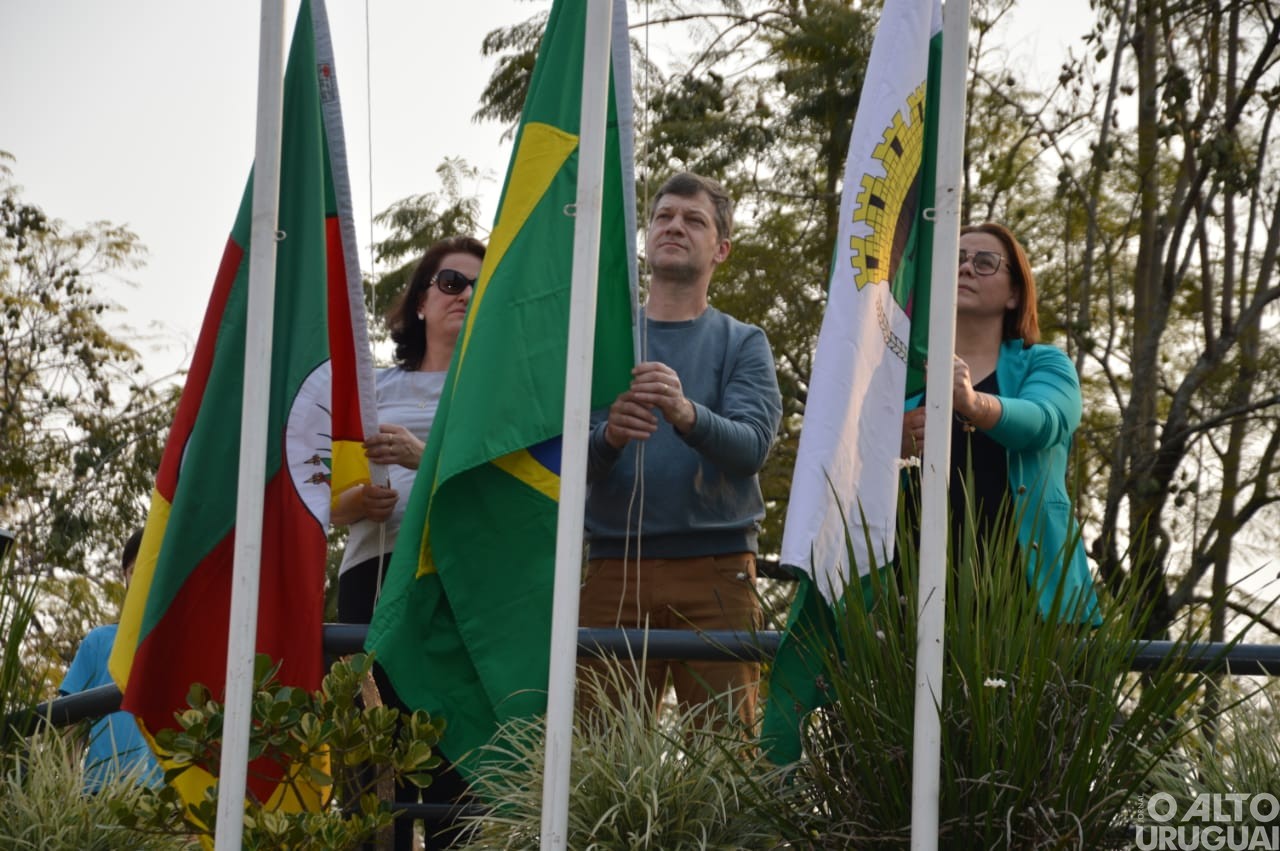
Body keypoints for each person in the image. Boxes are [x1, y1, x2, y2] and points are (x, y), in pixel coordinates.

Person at [581, 172, 784, 728]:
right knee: (595, 756)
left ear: (721, 249)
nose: (674, 226)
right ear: (646, 238)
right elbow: (562, 463)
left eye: (693, 219)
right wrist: (609, 436)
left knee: (726, 760)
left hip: (717, 570)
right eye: (663, 217)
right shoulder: (597, 340)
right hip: (612, 567)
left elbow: (751, 449)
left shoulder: (744, 342)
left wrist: (686, 413)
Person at [332, 235, 485, 851]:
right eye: (451, 283)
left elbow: (504, 496)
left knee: (457, 771)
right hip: (376, 572)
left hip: (462, 578)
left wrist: (423, 459)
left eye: (479, 286)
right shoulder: (372, 390)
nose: (466, 295)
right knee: (374, 771)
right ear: (420, 302)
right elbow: (328, 499)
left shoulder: (497, 397)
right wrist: (360, 502)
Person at [900, 222, 1098, 621]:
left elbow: (1045, 422)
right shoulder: (901, 374)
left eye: (985, 262)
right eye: (955, 260)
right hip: (915, 607)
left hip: (1032, 607)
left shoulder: (1045, 363)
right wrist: (898, 442)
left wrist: (973, 403)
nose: (966, 268)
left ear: (1014, 294)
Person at [60, 528, 162, 792]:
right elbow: (71, 728)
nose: (142, 579)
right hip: (100, 793)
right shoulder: (98, 642)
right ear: (125, 577)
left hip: (166, 804)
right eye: (134, 570)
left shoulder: (185, 646)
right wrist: (67, 797)